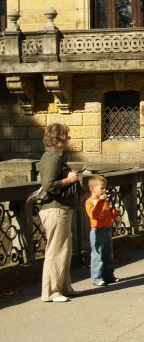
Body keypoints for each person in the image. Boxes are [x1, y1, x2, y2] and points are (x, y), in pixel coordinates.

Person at [37, 123, 81, 302]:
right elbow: (48, 185)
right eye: (67, 137)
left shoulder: (54, 157)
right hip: (55, 208)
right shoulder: (52, 158)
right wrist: (70, 179)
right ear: (60, 139)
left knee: (64, 248)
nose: (68, 140)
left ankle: (63, 286)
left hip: (60, 208)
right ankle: (52, 291)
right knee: (56, 249)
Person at [85, 175, 120, 287]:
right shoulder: (90, 202)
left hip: (107, 228)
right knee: (97, 254)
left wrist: (114, 214)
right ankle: (97, 277)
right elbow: (94, 215)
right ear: (92, 189)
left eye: (105, 188)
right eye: (102, 188)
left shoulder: (103, 200)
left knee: (108, 253)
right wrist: (100, 202)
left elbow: (106, 214)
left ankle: (109, 275)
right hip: (97, 230)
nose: (104, 190)